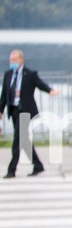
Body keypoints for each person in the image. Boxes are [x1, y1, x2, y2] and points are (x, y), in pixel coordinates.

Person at [0, 50, 58, 178]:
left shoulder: (30, 74)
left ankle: (11, 170)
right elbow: (4, 94)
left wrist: (50, 91)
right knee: (24, 140)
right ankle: (38, 166)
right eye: (10, 60)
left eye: (14, 60)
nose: (11, 62)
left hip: (26, 111)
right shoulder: (8, 74)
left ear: (21, 60)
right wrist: (1, 110)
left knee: (17, 140)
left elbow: (40, 84)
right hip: (14, 110)